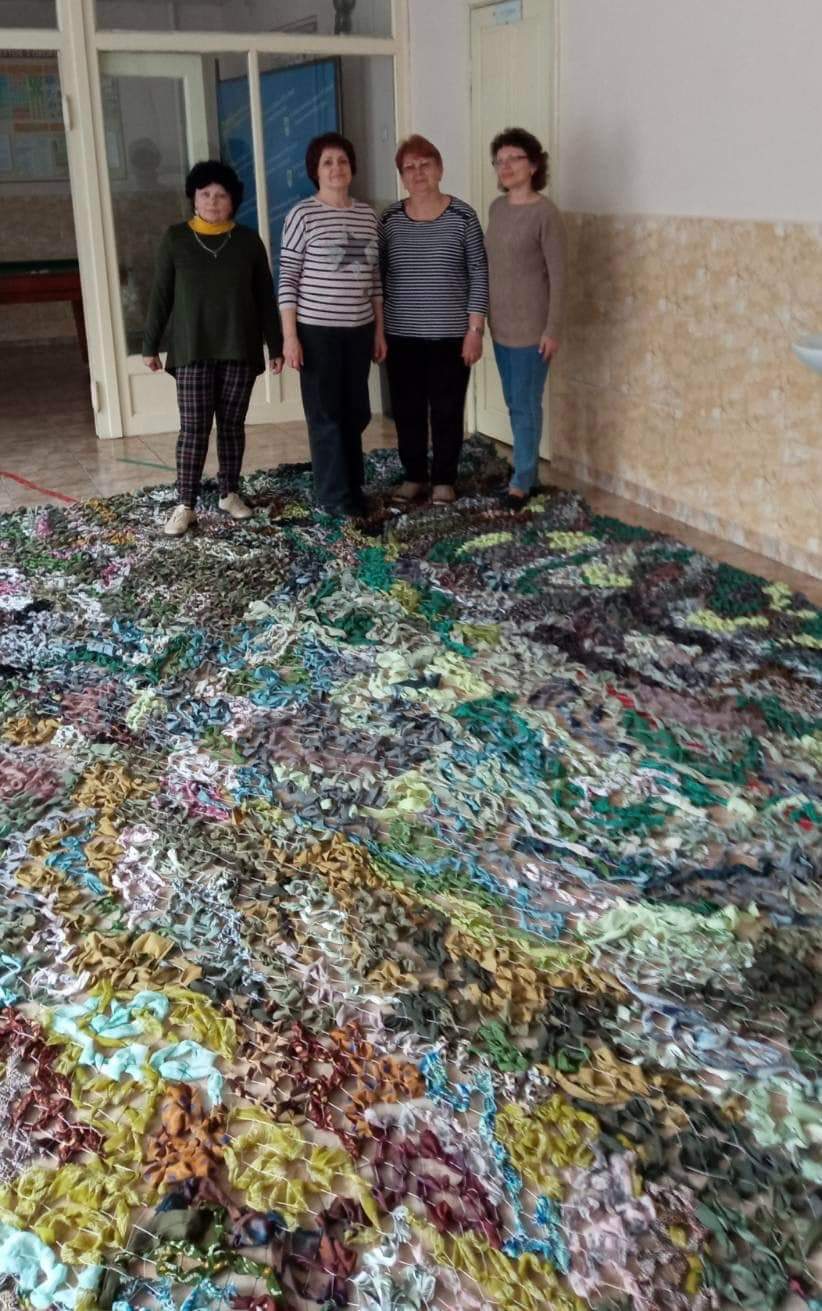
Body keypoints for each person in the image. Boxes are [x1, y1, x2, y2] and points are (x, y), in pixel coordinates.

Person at [142, 159, 283, 537]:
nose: (213, 202)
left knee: (232, 427)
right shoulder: (175, 239)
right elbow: (161, 295)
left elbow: (265, 298)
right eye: (205, 194)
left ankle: (229, 493)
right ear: (194, 197)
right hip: (193, 350)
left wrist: (276, 345)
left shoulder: (248, 241)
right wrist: (150, 344)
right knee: (194, 429)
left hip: (240, 348)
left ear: (233, 200)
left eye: (221, 195)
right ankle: (185, 504)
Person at [279, 132, 386, 517]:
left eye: (342, 161)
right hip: (316, 332)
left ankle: (353, 487)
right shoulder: (302, 215)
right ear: (315, 171)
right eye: (327, 162)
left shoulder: (368, 215)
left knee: (356, 413)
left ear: (352, 167)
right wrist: (290, 337)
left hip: (359, 331)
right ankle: (333, 496)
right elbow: (287, 278)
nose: (336, 168)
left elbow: (375, 280)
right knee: (326, 417)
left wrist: (379, 330)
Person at [380, 134, 488, 505]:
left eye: (425, 164)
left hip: (451, 335)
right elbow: (379, 276)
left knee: (447, 409)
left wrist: (475, 330)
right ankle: (414, 476)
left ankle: (444, 479)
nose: (418, 173)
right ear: (402, 177)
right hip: (400, 335)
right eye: (409, 168)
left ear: (439, 169)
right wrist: (377, 331)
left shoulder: (463, 217)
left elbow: (479, 272)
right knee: (407, 410)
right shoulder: (390, 220)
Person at [485, 127, 567, 509]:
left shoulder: (545, 214)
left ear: (533, 165)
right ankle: (527, 471)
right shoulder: (497, 209)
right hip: (500, 325)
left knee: (525, 403)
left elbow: (559, 276)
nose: (505, 167)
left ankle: (522, 482)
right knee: (514, 400)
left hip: (533, 330)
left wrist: (552, 329)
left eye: (513, 159)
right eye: (499, 161)